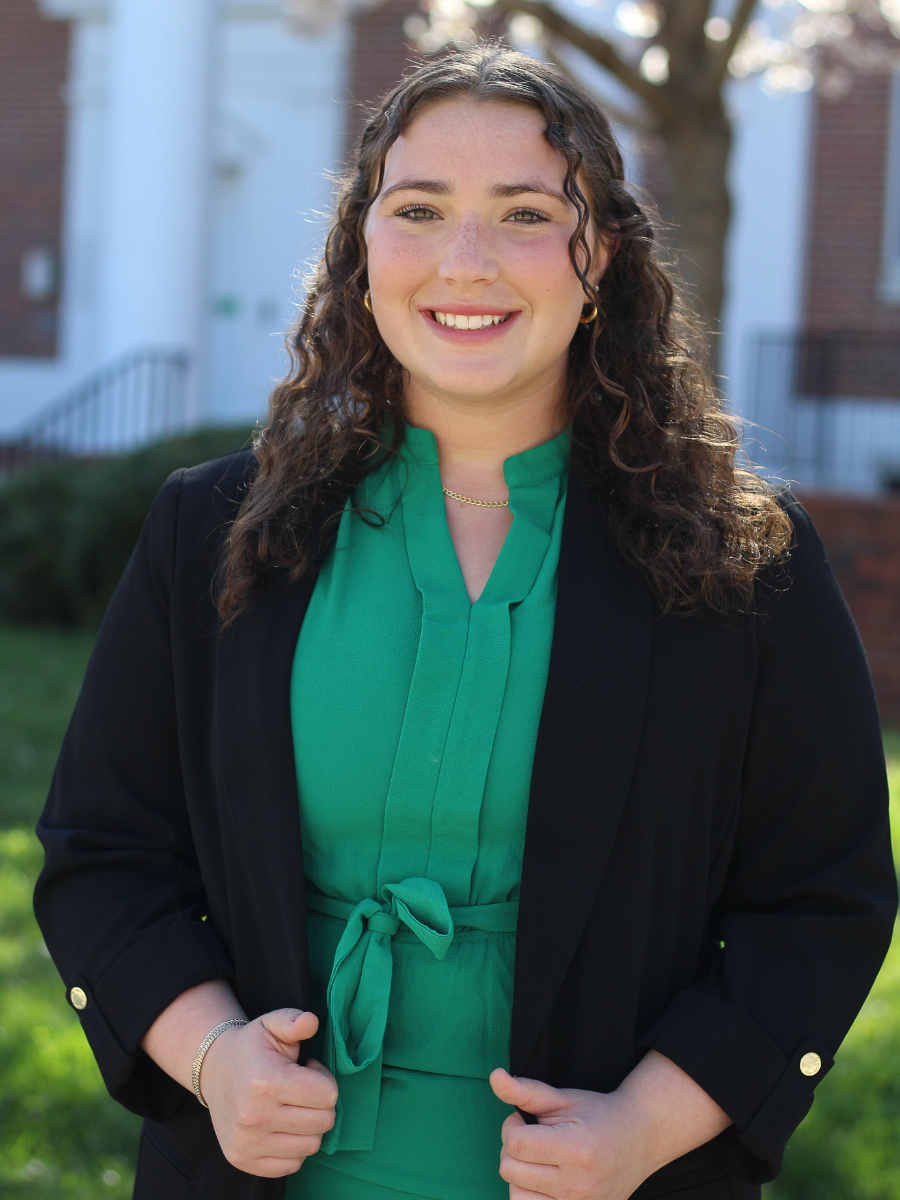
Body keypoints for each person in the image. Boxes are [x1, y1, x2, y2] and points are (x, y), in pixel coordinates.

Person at [34, 44, 896, 1200]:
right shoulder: (212, 535)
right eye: (421, 209)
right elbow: (104, 857)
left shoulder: (745, 563)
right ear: (362, 247)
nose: (466, 262)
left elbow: (819, 901)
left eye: (527, 213)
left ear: (604, 259)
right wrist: (211, 1055)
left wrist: (644, 1128)